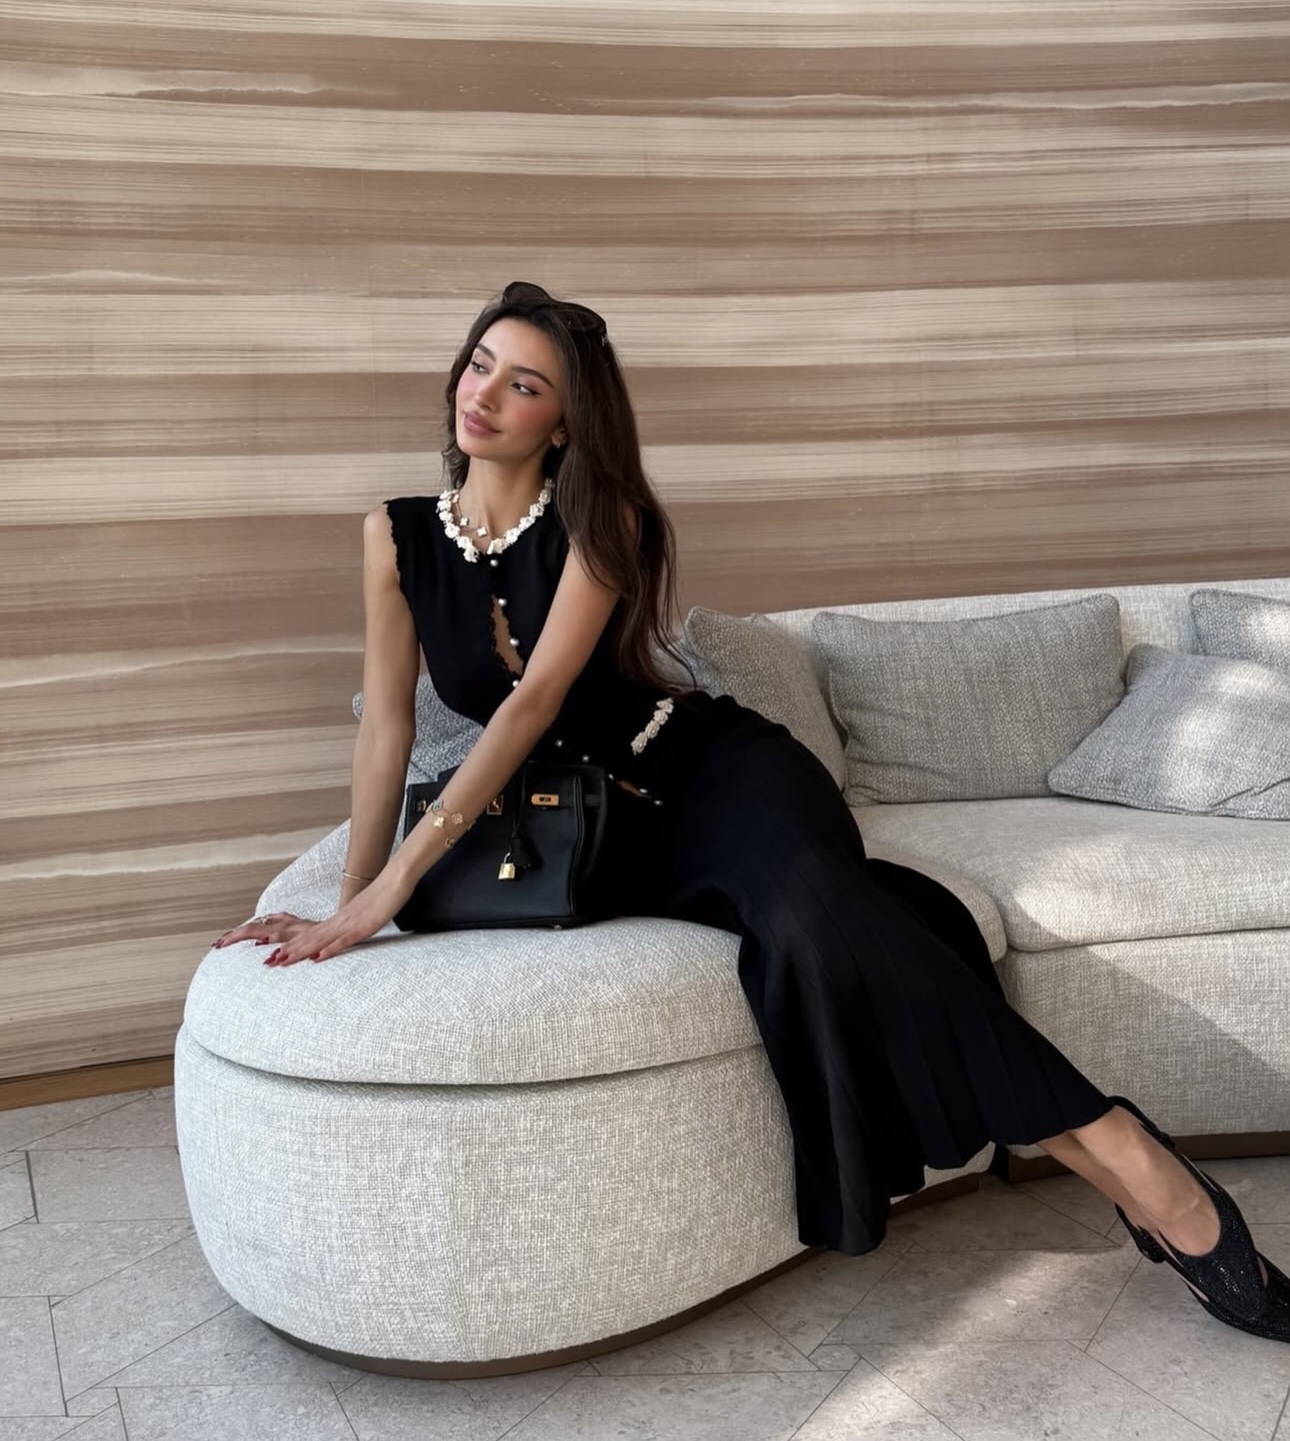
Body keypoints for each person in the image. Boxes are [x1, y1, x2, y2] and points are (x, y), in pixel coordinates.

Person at [215, 281, 1289, 1342]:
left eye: (524, 383)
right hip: (607, 838)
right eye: (479, 364)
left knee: (812, 929)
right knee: (858, 920)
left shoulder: (602, 520)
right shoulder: (394, 536)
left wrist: (393, 887)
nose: (484, 394)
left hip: (714, 776)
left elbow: (533, 702)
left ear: (566, 421)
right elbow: (386, 725)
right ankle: (1110, 1135)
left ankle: (1137, 1164)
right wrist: (353, 898)